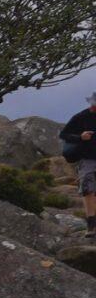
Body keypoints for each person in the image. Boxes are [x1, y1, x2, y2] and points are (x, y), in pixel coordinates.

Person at [63, 92, 96, 227]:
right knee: (88, 189)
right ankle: (91, 225)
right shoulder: (81, 117)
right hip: (87, 158)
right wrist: (80, 137)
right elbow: (64, 134)